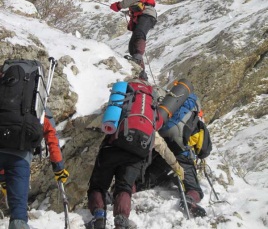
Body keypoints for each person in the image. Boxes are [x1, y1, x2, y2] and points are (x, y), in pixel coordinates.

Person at [87, 77, 184, 229]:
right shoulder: (152, 114)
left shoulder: (124, 102)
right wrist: (177, 167)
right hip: (137, 153)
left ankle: (99, 218)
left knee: (98, 186)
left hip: (112, 148)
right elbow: (162, 147)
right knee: (124, 187)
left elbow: (107, 122)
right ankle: (121, 221)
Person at [0, 107, 69, 229]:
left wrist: (3, 177)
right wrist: (58, 167)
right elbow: (51, 137)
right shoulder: (36, 103)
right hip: (19, 157)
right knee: (18, 217)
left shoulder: (5, 97)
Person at [137, 106, 212, 218]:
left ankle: (122, 193)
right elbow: (204, 151)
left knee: (143, 183)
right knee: (194, 189)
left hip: (160, 156)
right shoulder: (195, 119)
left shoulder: (166, 112)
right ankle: (190, 199)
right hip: (182, 159)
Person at [110, 0, 157, 80]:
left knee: (139, 34)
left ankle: (137, 62)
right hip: (140, 15)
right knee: (132, 47)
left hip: (147, 13)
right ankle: (141, 73)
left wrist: (119, 5)